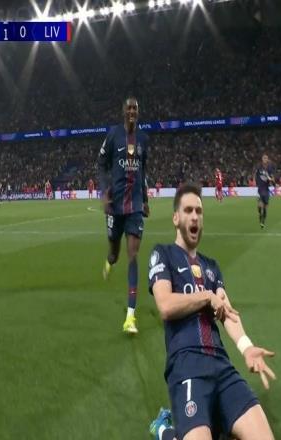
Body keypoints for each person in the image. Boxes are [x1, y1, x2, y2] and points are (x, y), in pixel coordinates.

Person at [148, 183, 276, 440]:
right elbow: (165, 305)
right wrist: (206, 296)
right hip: (187, 367)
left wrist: (246, 347)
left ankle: (213, 424)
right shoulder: (163, 254)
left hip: (222, 365)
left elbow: (227, 312)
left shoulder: (212, 267)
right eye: (188, 210)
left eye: (199, 211)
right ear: (176, 218)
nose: (195, 216)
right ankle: (165, 430)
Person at [98, 96, 150, 334]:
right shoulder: (113, 135)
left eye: (135, 108)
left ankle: (130, 316)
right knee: (114, 254)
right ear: (123, 111)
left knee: (133, 255)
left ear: (138, 112)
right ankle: (109, 263)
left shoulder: (143, 139)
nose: (132, 111)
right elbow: (101, 163)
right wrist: (104, 191)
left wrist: (145, 199)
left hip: (135, 207)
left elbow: (144, 170)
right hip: (115, 206)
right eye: (129, 108)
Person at [255, 154, 275, 229]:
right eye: (264, 158)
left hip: (266, 190)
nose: (265, 159)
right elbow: (255, 174)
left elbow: (272, 178)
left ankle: (263, 221)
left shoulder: (270, 169)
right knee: (259, 206)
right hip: (260, 189)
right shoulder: (259, 167)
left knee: (265, 208)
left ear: (267, 159)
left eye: (266, 158)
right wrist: (254, 181)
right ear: (262, 159)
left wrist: (272, 180)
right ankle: (260, 214)